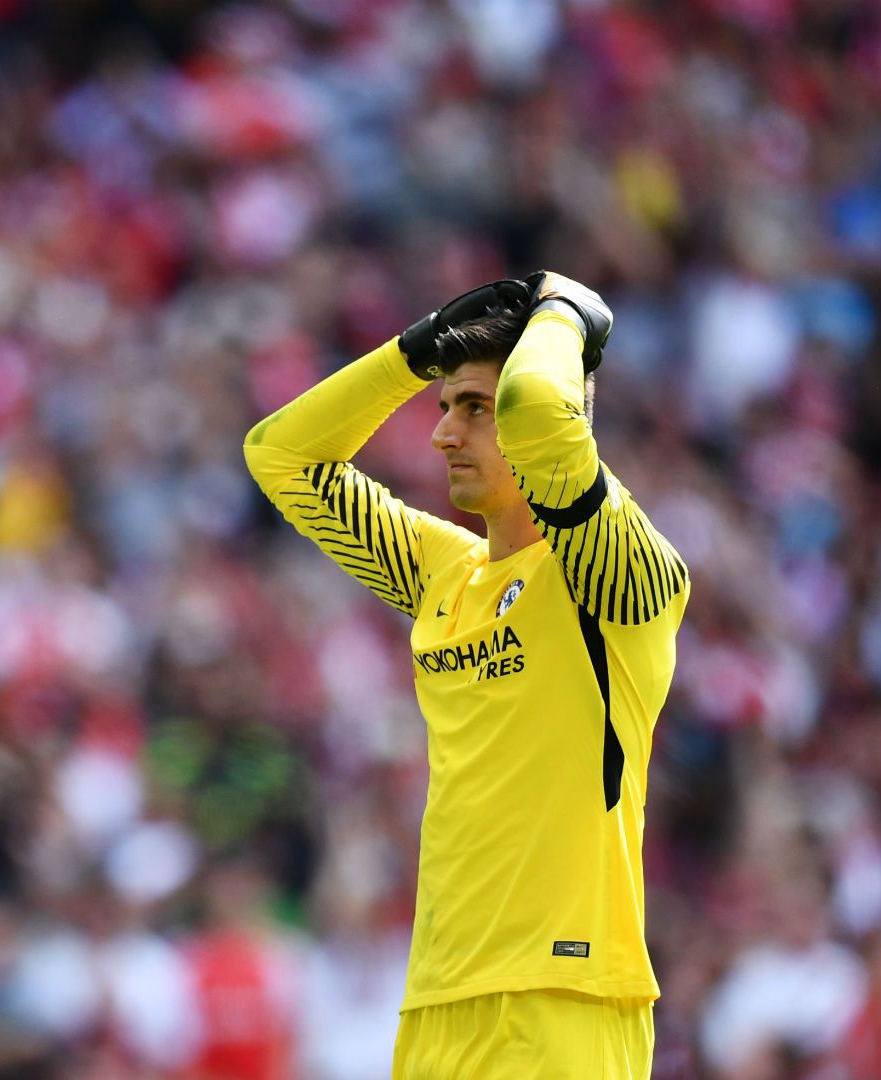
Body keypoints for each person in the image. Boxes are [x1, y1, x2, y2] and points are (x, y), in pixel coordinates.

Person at [244, 272, 688, 1077]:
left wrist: (561, 307)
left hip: (565, 1001)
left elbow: (546, 421)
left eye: (474, 408)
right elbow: (280, 454)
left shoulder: (622, 578)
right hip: (438, 1002)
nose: (444, 433)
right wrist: (413, 354)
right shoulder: (445, 573)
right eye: (443, 407)